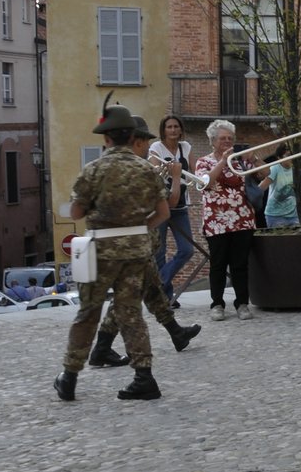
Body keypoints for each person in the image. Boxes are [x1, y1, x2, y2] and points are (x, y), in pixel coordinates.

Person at [54, 103, 169, 402]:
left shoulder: (94, 169)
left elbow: (77, 211)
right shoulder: (147, 169)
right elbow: (163, 212)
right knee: (130, 313)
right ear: (132, 136)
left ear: (106, 139)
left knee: (88, 312)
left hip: (100, 252)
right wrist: (140, 228)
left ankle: (69, 377)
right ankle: (144, 377)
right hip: (136, 252)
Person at [88, 116, 203, 366]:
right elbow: (170, 205)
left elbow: (80, 209)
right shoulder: (139, 171)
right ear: (135, 141)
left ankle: (176, 334)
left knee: (155, 295)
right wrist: (173, 177)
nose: (147, 147)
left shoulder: (107, 168)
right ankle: (107, 354)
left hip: (127, 247)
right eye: (144, 142)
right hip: (135, 249)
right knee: (127, 301)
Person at [195, 119, 258, 321]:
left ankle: (242, 303)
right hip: (216, 220)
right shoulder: (203, 161)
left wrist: (255, 159)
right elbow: (205, 183)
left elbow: (267, 174)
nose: (227, 141)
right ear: (213, 141)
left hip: (242, 218)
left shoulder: (240, 160)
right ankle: (217, 304)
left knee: (240, 264)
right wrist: (223, 161)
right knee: (218, 264)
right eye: (223, 138)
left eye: (230, 138)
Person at [150, 114, 195, 304]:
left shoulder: (186, 147)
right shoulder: (156, 148)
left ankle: (159, 283)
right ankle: (166, 297)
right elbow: (155, 172)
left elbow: (195, 171)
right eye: (169, 127)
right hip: (161, 205)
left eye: (176, 126)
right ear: (163, 130)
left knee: (187, 250)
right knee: (159, 253)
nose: (173, 130)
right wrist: (168, 170)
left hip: (180, 206)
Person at [255, 145, 299, 228]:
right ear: (279, 158)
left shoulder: (298, 170)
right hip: (275, 215)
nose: (292, 158)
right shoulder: (275, 169)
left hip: (294, 215)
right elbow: (262, 187)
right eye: (288, 155)